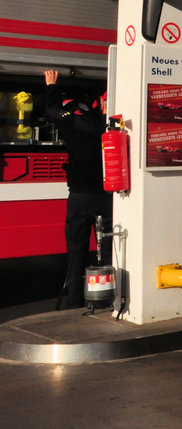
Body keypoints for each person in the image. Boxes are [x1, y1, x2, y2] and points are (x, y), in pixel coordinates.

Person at [42, 69, 112, 309]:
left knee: (76, 251)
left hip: (80, 198)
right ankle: (107, 297)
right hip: (108, 198)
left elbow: (51, 111)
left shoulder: (73, 120)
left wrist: (51, 86)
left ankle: (74, 301)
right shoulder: (111, 127)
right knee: (110, 250)